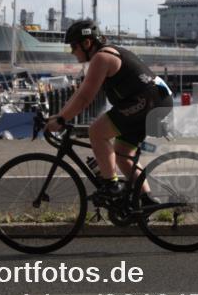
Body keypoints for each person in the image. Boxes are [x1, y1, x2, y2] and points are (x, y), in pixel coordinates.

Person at [45, 20, 173, 202]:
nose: (72, 52)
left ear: (87, 43)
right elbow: (81, 93)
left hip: (149, 101)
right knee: (122, 156)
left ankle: (112, 186)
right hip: (156, 100)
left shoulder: (101, 58)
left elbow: (84, 99)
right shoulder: (105, 55)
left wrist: (60, 120)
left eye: (73, 46)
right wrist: (60, 116)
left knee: (97, 132)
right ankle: (146, 200)